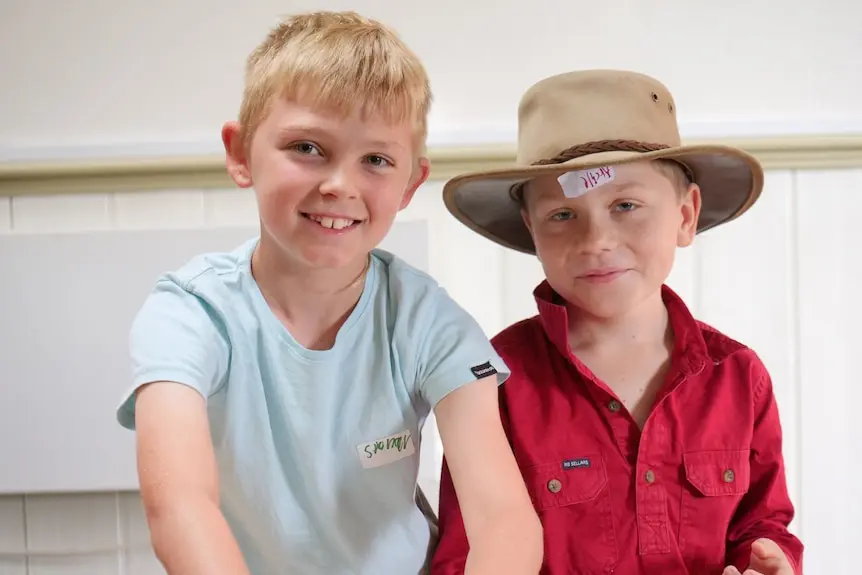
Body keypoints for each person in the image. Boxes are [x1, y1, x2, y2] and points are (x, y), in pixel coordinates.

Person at [115, 11, 542, 575]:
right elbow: (178, 506)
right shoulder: (189, 312)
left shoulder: (427, 320)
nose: (339, 184)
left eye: (376, 160)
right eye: (308, 148)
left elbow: (504, 519)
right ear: (240, 153)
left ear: (411, 181)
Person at [431, 70, 803, 575]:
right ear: (532, 229)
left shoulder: (739, 377)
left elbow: (761, 525)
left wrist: (769, 561)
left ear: (686, 215)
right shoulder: (491, 383)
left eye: (626, 205)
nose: (596, 241)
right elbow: (465, 552)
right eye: (563, 215)